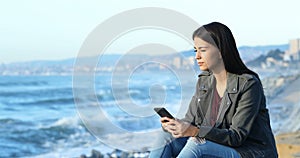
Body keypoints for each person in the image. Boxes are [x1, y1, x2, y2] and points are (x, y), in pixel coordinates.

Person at [149, 22, 278, 158]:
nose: (197, 56)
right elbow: (190, 122)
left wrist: (194, 131)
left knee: (197, 144)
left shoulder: (249, 84)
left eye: (203, 50)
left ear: (221, 51)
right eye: (195, 50)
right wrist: (175, 126)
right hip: (218, 146)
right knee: (166, 136)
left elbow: (236, 137)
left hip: (249, 152)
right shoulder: (204, 81)